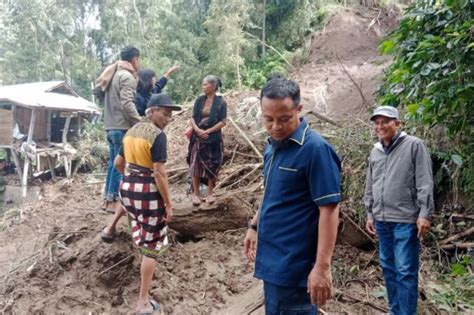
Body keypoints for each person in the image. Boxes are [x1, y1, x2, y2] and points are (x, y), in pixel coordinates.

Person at [243, 76, 341, 314]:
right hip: (272, 263)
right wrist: (254, 226)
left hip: (298, 269)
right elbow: (272, 192)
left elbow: (329, 209)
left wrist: (322, 267)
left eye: (284, 119)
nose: (276, 126)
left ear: (299, 109)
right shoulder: (273, 147)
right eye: (268, 119)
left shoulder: (316, 150)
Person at [103, 94, 180, 314]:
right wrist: (168, 204)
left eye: (169, 116)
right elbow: (159, 173)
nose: (167, 119)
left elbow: (118, 163)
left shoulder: (130, 132)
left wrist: (131, 178)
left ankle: (109, 228)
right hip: (148, 192)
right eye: (165, 114)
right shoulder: (157, 136)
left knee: (136, 219)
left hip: (127, 188)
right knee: (152, 246)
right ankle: (143, 302)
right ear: (152, 111)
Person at [364, 106, 433, 315]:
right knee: (388, 268)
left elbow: (425, 181)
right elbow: (370, 184)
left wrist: (424, 214)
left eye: (385, 121)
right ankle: (394, 311)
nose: (380, 126)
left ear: (397, 123)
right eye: (376, 122)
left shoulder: (414, 145)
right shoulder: (375, 151)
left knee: (405, 270)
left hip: (405, 219)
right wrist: (369, 213)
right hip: (381, 220)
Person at [96, 46, 142, 213]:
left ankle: (107, 200)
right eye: (139, 60)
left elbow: (96, 91)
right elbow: (127, 103)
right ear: (135, 60)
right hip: (121, 126)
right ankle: (114, 201)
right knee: (119, 163)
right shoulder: (127, 77)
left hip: (110, 126)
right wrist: (140, 122)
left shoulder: (111, 75)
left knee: (111, 164)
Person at [187, 75, 227, 205]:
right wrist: (197, 130)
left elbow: (223, 122)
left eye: (205, 84)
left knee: (212, 165)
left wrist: (208, 131)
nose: (203, 87)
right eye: (203, 84)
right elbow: (193, 117)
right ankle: (196, 194)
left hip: (213, 139)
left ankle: (210, 193)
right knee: (195, 164)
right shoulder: (199, 100)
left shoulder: (221, 103)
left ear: (213, 86)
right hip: (197, 138)